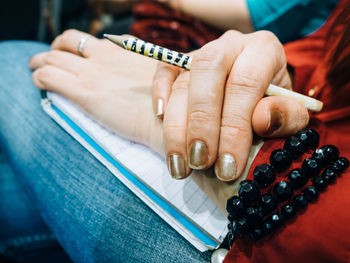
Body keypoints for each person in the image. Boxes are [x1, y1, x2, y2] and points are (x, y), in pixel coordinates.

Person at [0, 1, 349, 263]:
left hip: (294, 227)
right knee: (14, 205)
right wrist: (260, 68)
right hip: (304, 138)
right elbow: (329, 47)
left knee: (11, 65)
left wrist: (167, 124)